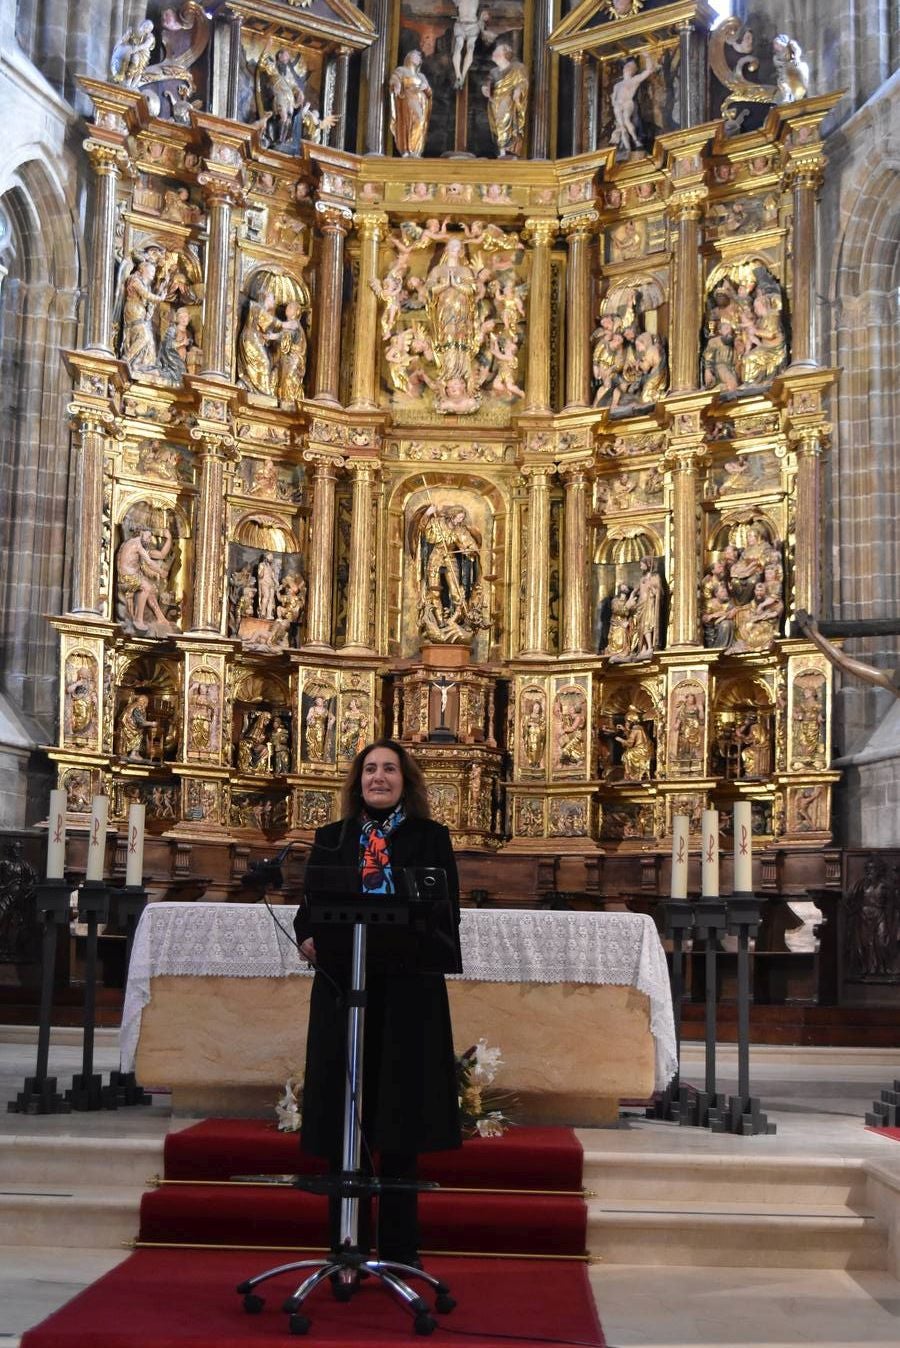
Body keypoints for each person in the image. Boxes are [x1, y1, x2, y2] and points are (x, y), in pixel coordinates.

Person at [294, 740, 462, 1270]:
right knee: (347, 1119)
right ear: (357, 780)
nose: (379, 777)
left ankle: (400, 1249)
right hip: (346, 992)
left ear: (405, 780)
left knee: (400, 1118)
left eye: (389, 769)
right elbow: (309, 911)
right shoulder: (332, 838)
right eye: (370, 769)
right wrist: (306, 937)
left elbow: (446, 913)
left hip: (408, 997)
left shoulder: (431, 838)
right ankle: (345, 1246)